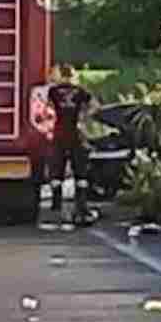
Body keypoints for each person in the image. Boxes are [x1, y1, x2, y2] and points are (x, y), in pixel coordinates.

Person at [43, 63, 98, 226]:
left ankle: (56, 208)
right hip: (76, 134)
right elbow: (94, 105)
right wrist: (84, 116)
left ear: (60, 75)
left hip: (59, 134)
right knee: (80, 173)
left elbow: (47, 108)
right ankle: (81, 208)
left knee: (57, 171)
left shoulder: (53, 91)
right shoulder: (80, 91)